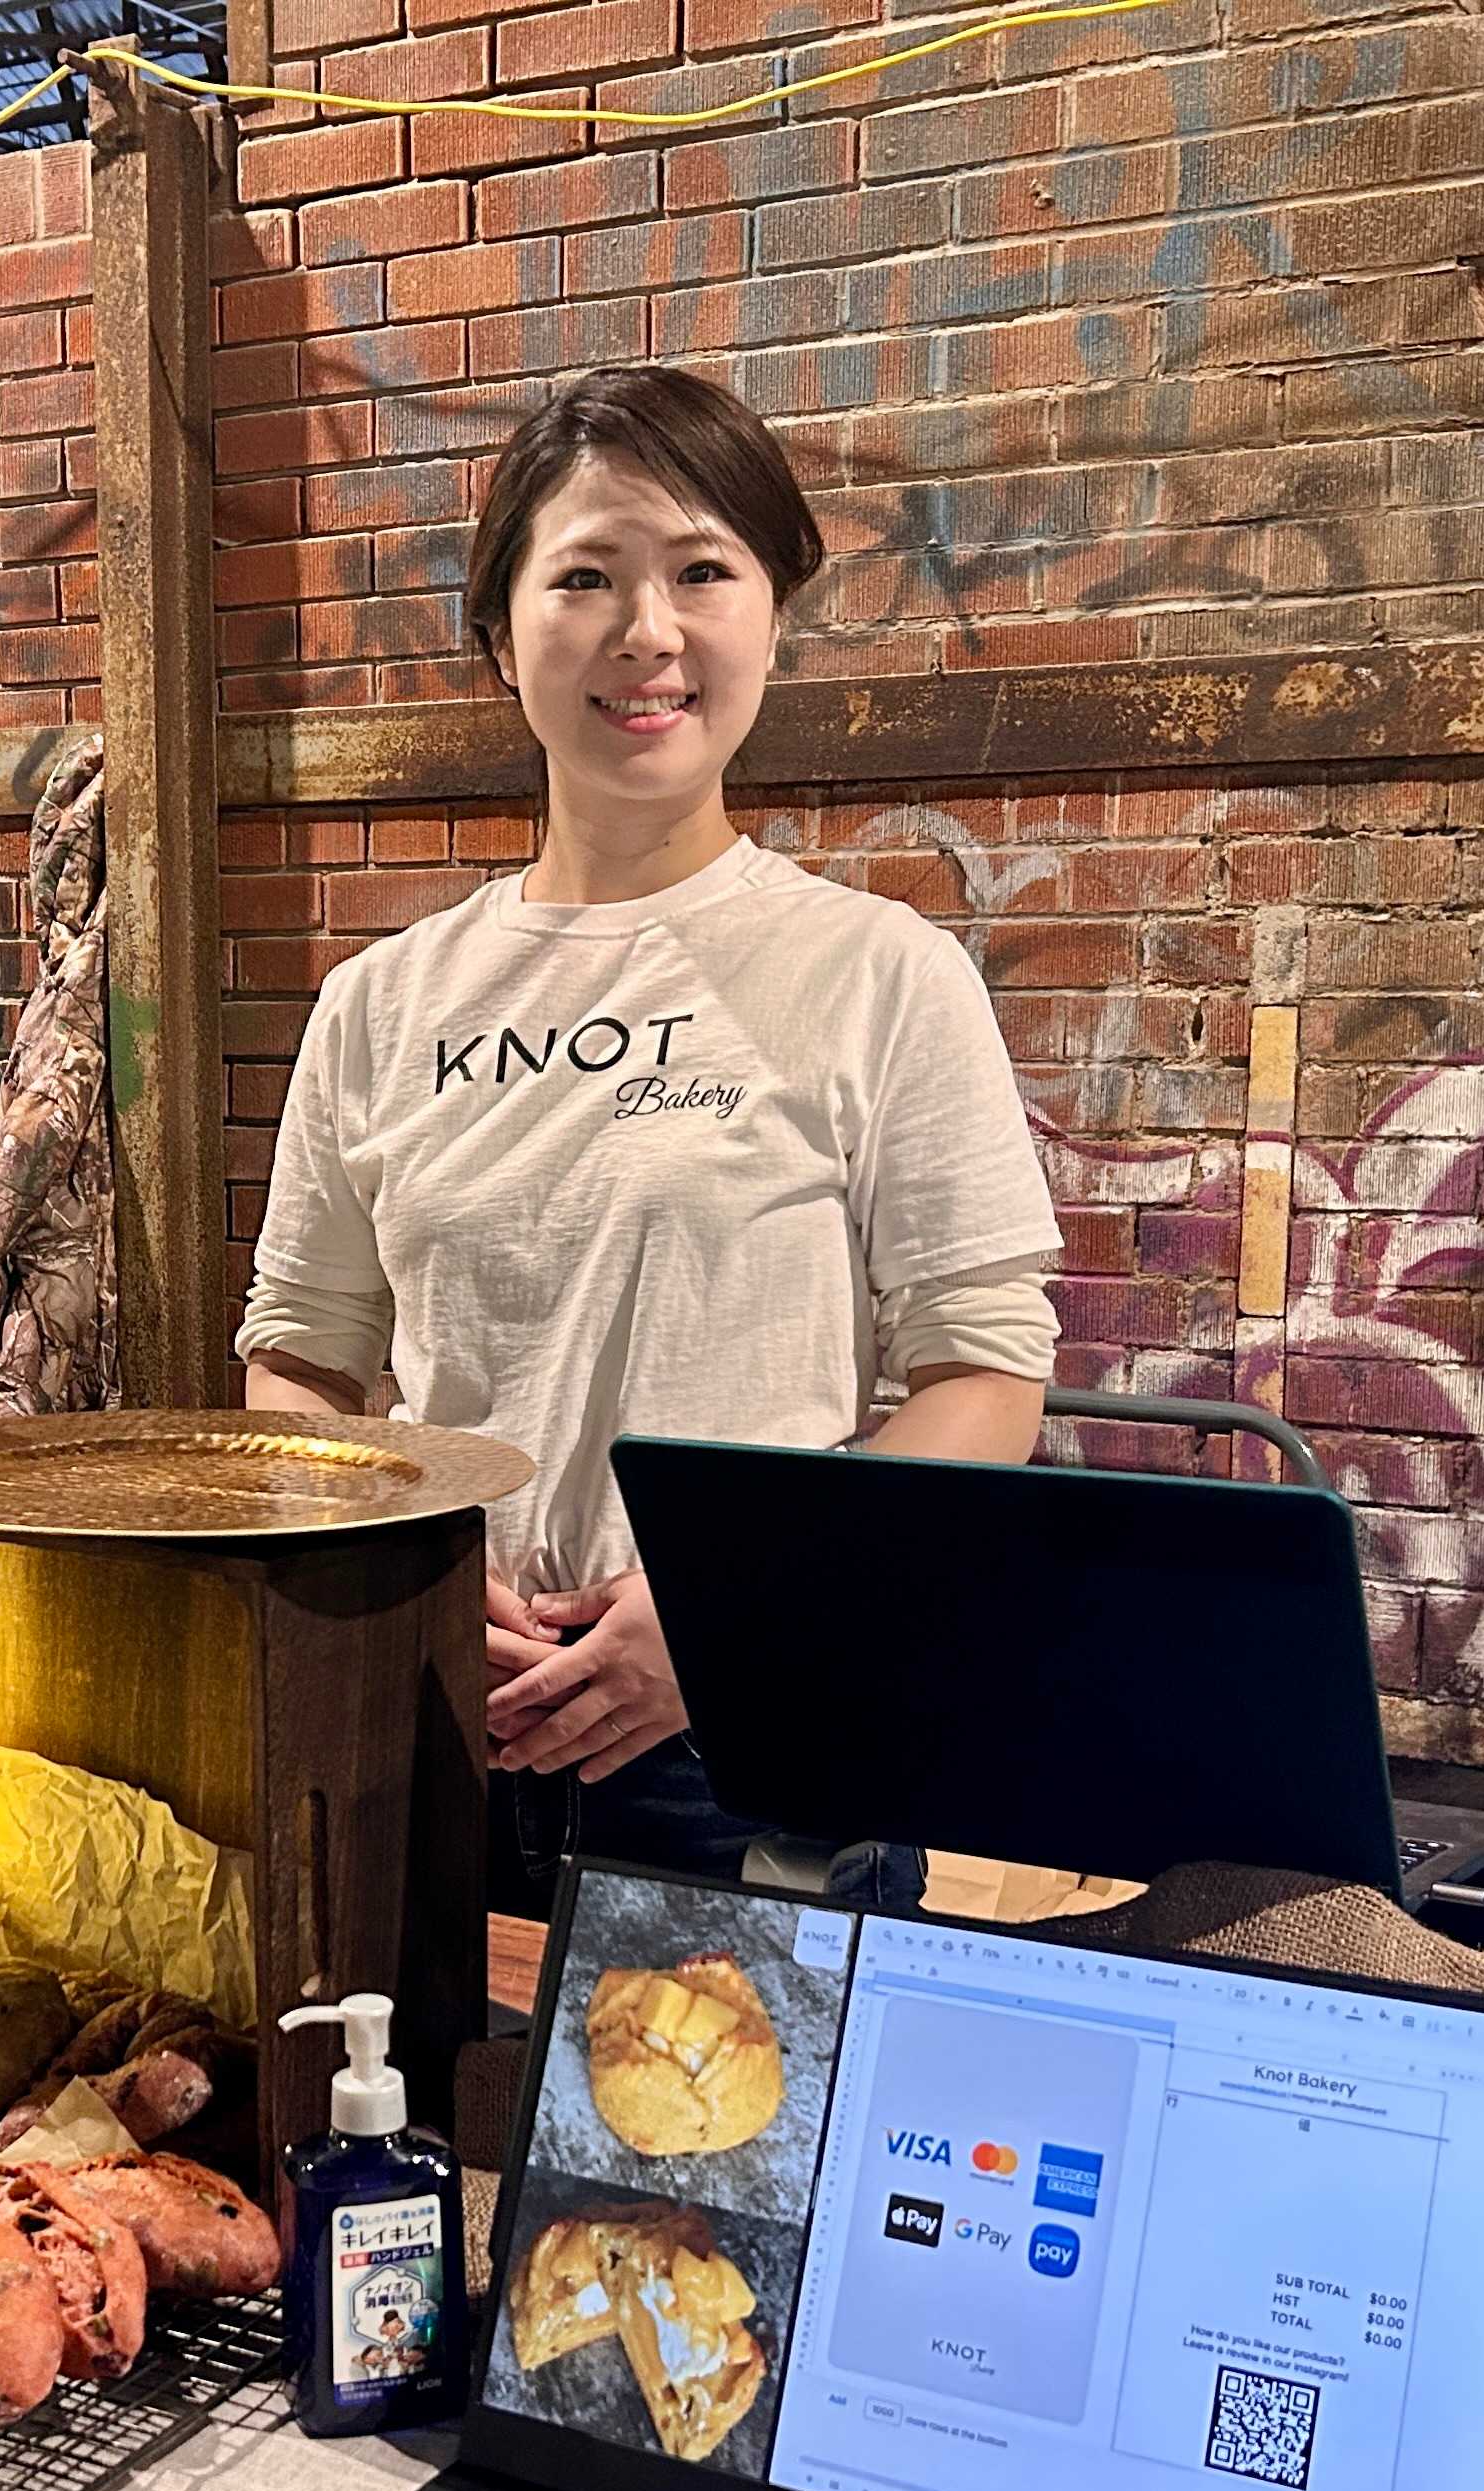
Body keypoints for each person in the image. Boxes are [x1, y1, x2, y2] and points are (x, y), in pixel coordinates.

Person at [235, 368, 1061, 1906]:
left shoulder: (882, 975)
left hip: (758, 1728)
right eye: (586, 579)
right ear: (500, 636)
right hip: (436, 1712)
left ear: (771, 614)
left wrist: (733, 1611)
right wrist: (399, 1560)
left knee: (747, 2141)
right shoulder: (379, 1005)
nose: (648, 632)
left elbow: (984, 1374)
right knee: (408, 2134)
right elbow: (300, 1362)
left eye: (701, 571)